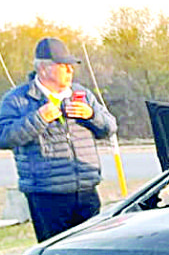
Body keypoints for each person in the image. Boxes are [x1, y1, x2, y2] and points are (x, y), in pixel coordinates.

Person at [0, 37, 117, 241]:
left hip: (86, 191)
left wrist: (91, 115)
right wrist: (38, 119)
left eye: (71, 66)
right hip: (47, 196)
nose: (71, 71)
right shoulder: (18, 100)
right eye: (64, 66)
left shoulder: (82, 94)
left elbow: (110, 128)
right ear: (44, 69)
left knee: (90, 254)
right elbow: (4, 137)